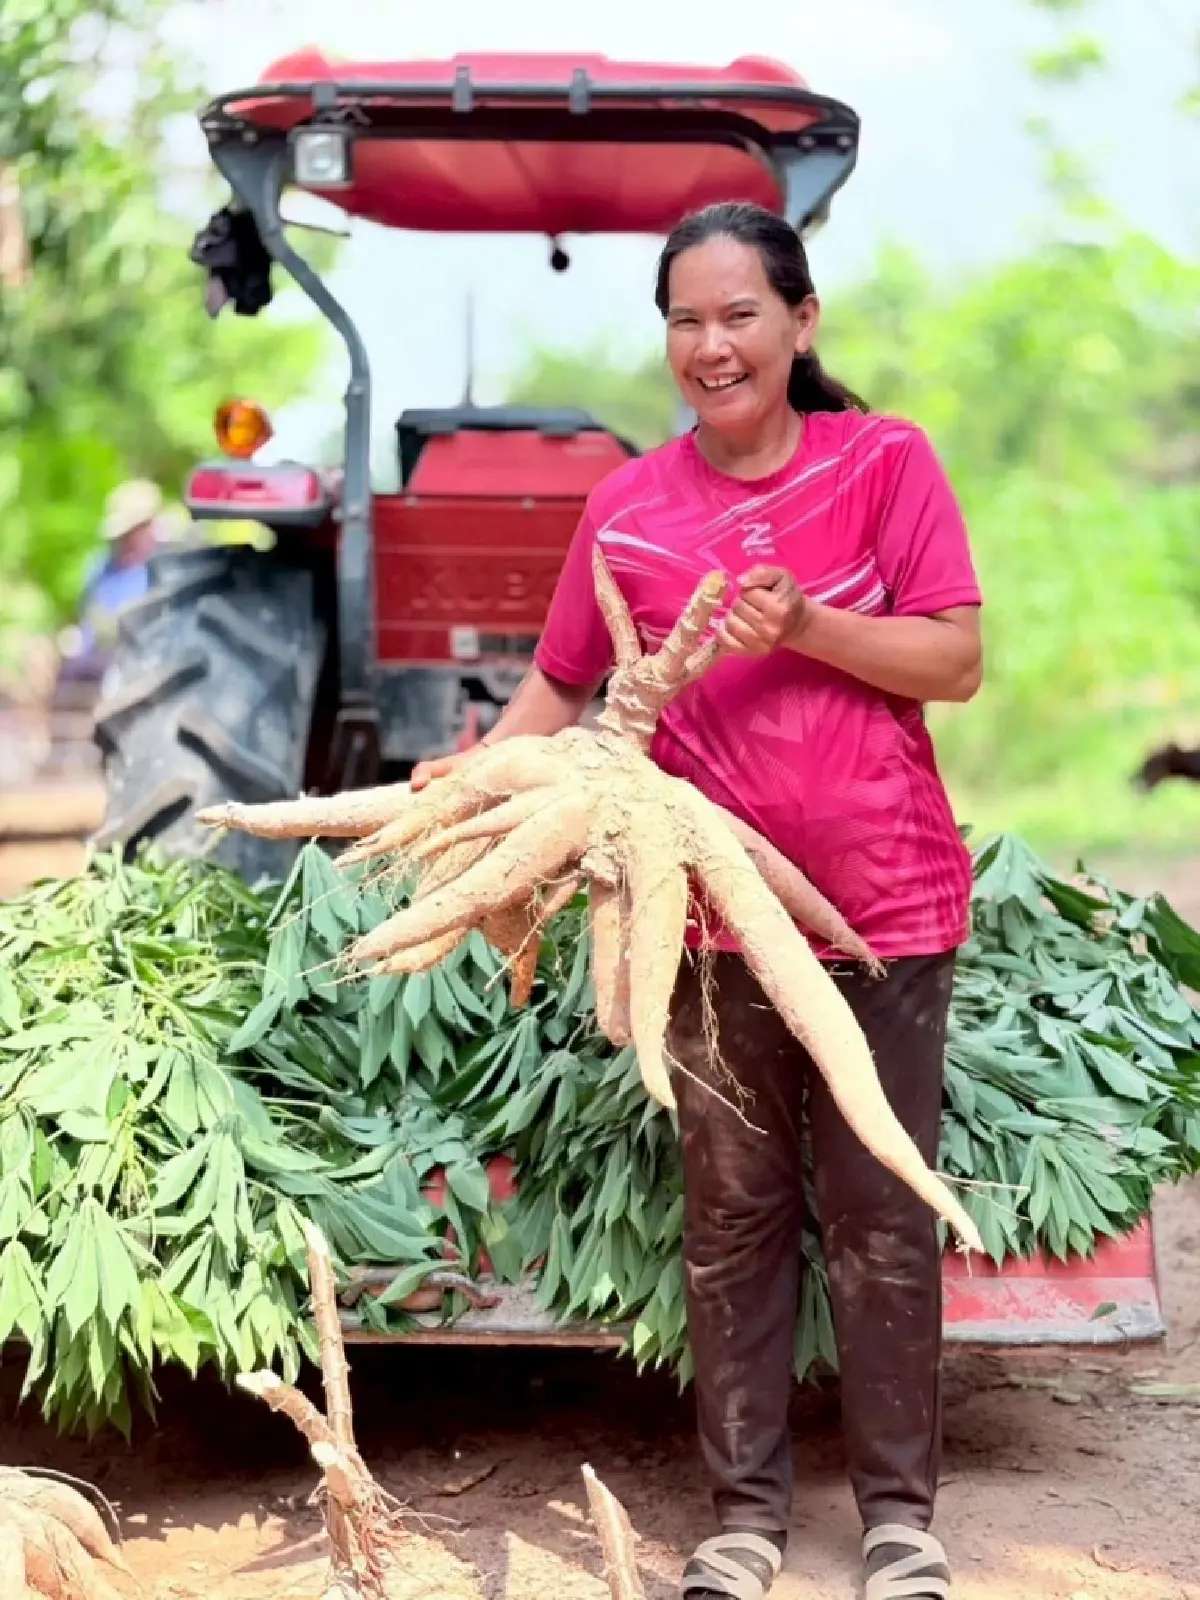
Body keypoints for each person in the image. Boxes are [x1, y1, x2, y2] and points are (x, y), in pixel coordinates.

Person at [413, 200, 982, 1600]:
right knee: (728, 1216)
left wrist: (806, 626)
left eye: (739, 314)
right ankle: (745, 1519)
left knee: (879, 1212)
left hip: (882, 909)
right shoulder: (630, 507)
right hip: (712, 919)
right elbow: (561, 689)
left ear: (801, 321)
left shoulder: (887, 462)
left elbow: (955, 661)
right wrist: (468, 781)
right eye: (685, 320)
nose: (711, 345)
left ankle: (900, 1518)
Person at [57, 480, 166, 682]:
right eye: (123, 536)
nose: (126, 543)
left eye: (134, 533)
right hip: (99, 664)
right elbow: (89, 622)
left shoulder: (168, 570)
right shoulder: (101, 568)